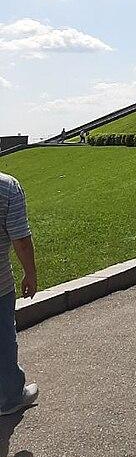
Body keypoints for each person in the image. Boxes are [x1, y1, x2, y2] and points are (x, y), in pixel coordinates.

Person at [0, 171, 38, 416]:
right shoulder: (7, 186)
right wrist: (30, 274)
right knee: (3, 339)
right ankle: (11, 397)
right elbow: (21, 240)